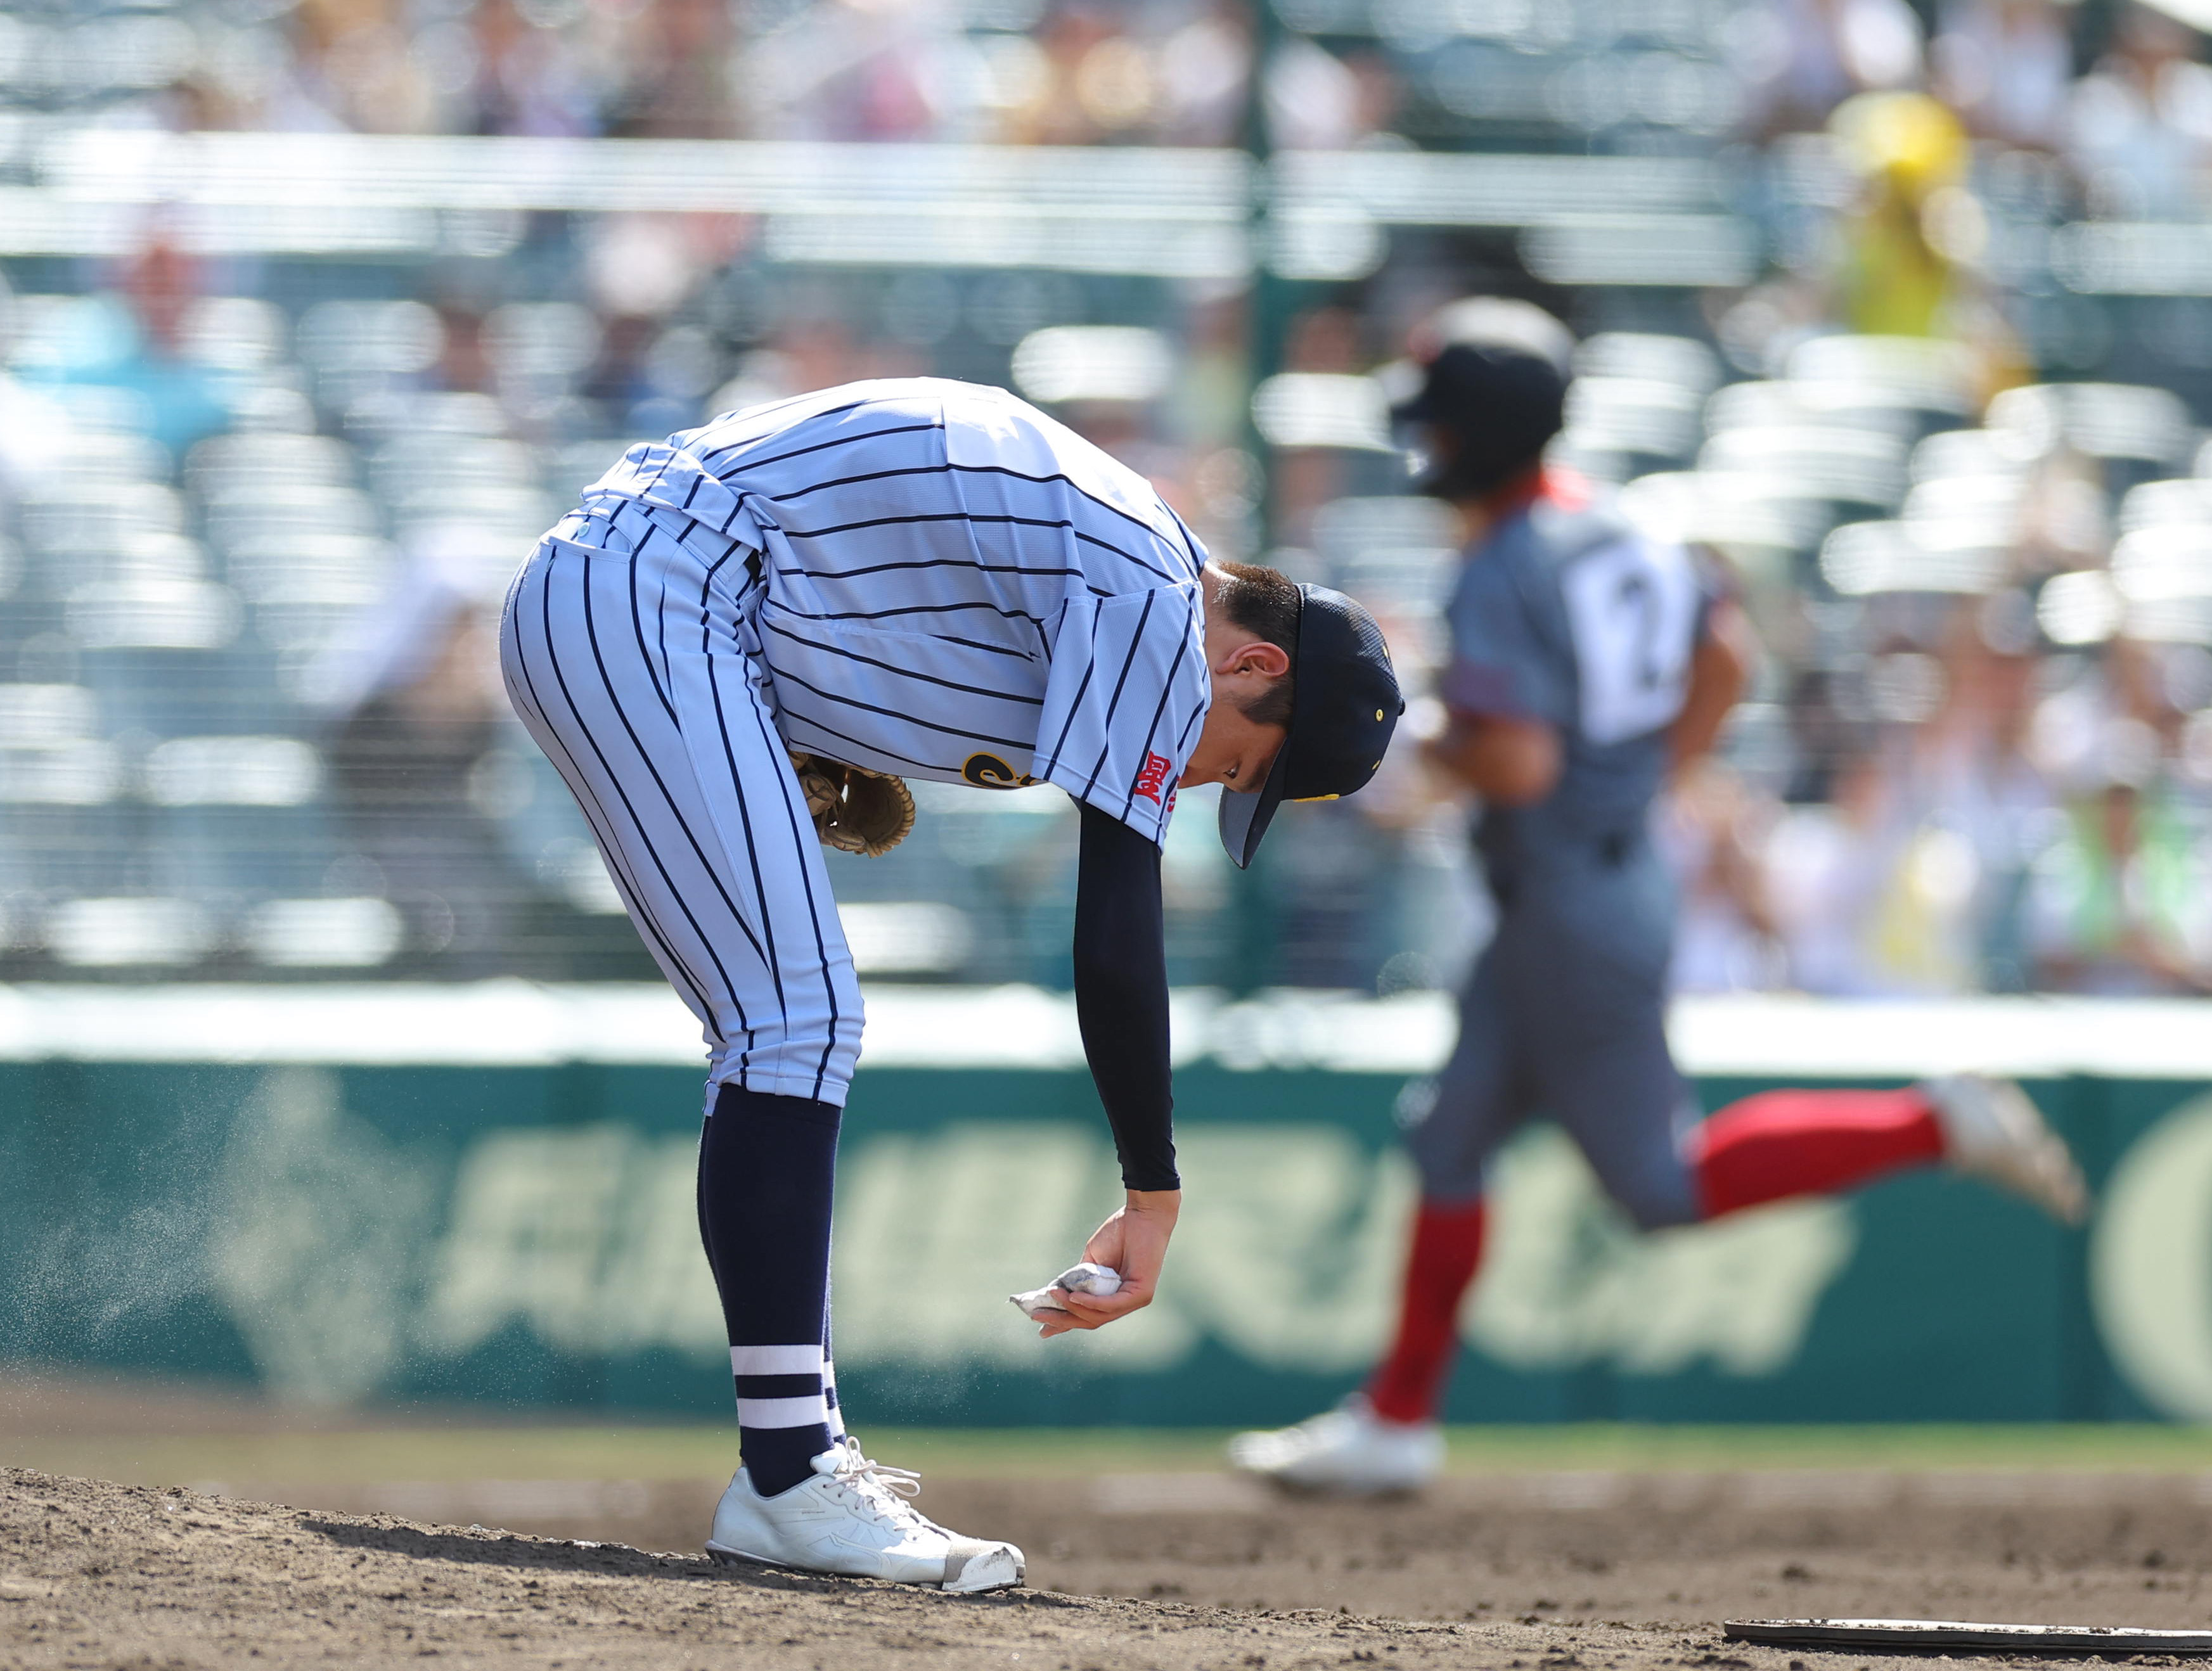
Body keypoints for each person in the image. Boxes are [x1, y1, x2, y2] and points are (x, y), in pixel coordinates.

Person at [499, 377, 1401, 1585]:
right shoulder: (1150, 594)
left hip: (656, 588)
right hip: (653, 590)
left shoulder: (1124, 576)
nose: (1206, 787)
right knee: (795, 1021)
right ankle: (787, 1475)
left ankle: (788, 1466)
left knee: (783, 1024)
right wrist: (1152, 1187)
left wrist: (806, 728)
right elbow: (1116, 925)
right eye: (1238, 765)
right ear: (1245, 662)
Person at [1228, 300, 2087, 1497]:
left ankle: (1930, 1123)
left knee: (1657, 1185)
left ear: (1476, 433)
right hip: (1582, 883)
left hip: (1570, 896)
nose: (1419, 446)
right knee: (1453, 1132)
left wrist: (1418, 742)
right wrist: (1644, 778)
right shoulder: (1620, 524)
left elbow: (1518, 762)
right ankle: (1396, 1416)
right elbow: (1724, 654)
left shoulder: (1504, 563)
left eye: (1436, 424)